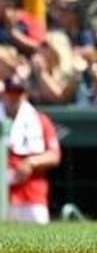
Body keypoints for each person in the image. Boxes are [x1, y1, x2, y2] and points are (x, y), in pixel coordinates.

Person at [4, 69, 60, 222]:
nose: (14, 97)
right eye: (11, 92)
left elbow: (54, 155)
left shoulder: (40, 120)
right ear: (4, 94)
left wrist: (31, 162)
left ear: (25, 95)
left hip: (31, 194)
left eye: (18, 92)